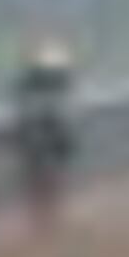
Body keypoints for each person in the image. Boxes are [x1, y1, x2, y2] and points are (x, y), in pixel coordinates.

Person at [12, 43, 78, 219]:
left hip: (49, 127)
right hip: (38, 128)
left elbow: (63, 106)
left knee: (50, 168)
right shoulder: (28, 83)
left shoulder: (56, 82)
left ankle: (48, 205)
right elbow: (24, 109)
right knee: (37, 171)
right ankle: (43, 207)